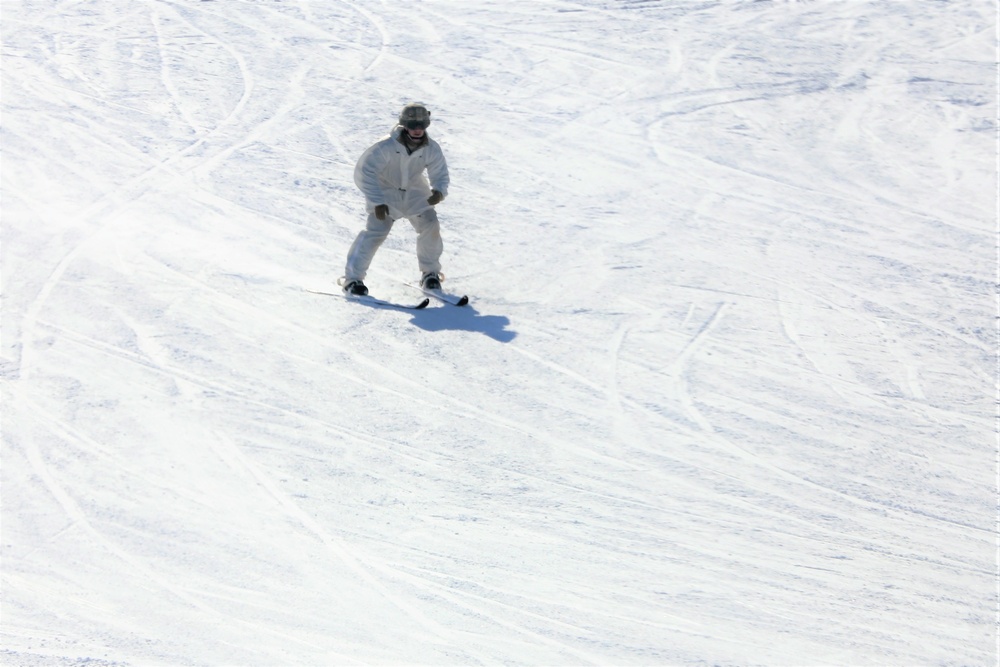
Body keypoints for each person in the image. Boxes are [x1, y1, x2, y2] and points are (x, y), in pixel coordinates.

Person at [339, 103, 450, 296]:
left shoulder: (431, 148)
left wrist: (439, 190)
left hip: (415, 192)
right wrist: (376, 200)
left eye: (421, 125)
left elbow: (439, 171)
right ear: (404, 124)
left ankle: (430, 274)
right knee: (376, 231)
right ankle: (352, 279)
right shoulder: (385, 147)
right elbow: (364, 172)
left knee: (430, 224)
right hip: (386, 193)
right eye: (412, 125)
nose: (417, 130)